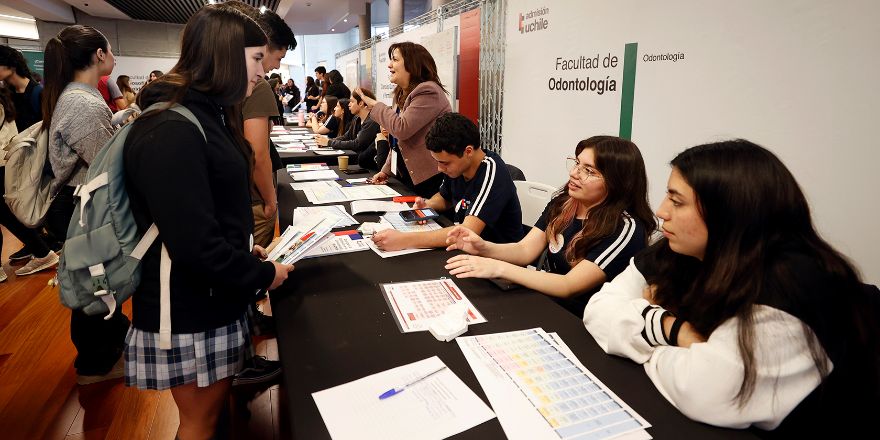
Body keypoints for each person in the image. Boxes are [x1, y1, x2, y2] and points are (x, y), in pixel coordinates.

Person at [582, 140, 880, 435]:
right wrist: (674, 329)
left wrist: (640, 331)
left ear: (730, 212)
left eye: (677, 201)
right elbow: (597, 310)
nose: (661, 212)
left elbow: (706, 390)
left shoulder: (795, 283)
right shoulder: (677, 250)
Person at [124, 6, 294, 440]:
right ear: (226, 54)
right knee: (201, 422)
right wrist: (263, 274)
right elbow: (194, 244)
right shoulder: (171, 126)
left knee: (212, 418)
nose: (263, 71)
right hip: (188, 307)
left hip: (210, 297)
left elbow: (206, 212)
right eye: (257, 59)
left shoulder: (207, 114)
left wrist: (242, 247)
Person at [445, 136, 656, 316]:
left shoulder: (625, 228)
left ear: (617, 182)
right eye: (577, 164)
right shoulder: (564, 202)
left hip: (584, 320)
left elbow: (568, 286)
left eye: (589, 171)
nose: (575, 173)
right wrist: (483, 248)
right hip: (548, 303)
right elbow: (525, 250)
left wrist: (498, 268)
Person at [42, 24, 126, 384]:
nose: (113, 55)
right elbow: (104, 161)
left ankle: (106, 349)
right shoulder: (83, 103)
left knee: (98, 280)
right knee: (95, 283)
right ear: (99, 55)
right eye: (110, 49)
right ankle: (94, 363)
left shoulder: (79, 97)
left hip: (80, 202)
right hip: (80, 204)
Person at [372, 113, 523, 252]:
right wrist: (428, 205)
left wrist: (405, 240)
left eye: (445, 163)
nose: (440, 168)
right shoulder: (458, 166)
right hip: (465, 250)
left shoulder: (492, 172)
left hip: (497, 260)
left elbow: (466, 232)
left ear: (468, 151)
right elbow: (445, 197)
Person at [355, 42, 451, 198]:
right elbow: (398, 143)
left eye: (395, 59)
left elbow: (401, 129)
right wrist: (386, 170)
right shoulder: (402, 94)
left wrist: (375, 105)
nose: (389, 65)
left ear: (412, 64)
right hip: (409, 177)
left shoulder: (428, 91)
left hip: (430, 178)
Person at [0, 44, 60, 261]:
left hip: (40, 155)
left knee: (39, 196)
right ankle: (37, 243)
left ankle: (47, 241)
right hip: (20, 155)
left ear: (10, 65)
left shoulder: (37, 92)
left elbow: (50, 127)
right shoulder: (8, 94)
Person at [0, 86, 56, 282]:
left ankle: (42, 252)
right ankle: (42, 251)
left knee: (7, 213)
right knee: (7, 212)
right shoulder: (6, 99)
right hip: (6, 161)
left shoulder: (33, 92)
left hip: (3, 161)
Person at [317, 88, 381, 169]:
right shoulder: (356, 118)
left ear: (361, 103)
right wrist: (327, 142)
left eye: (352, 101)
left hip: (367, 165)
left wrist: (329, 143)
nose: (349, 104)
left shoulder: (372, 122)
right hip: (357, 160)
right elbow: (346, 137)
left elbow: (357, 144)